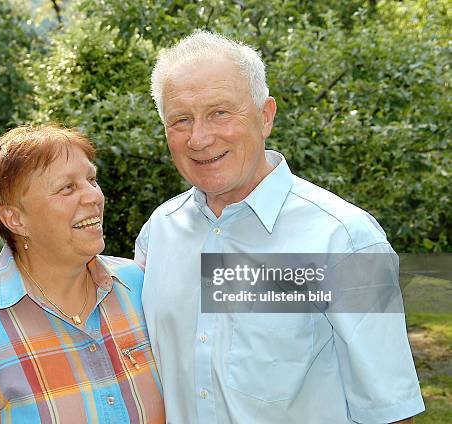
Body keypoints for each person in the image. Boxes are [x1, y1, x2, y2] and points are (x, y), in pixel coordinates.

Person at [135, 30, 425, 423]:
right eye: (180, 120)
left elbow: (390, 412)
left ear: (265, 115)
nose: (199, 138)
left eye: (220, 112)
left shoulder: (345, 240)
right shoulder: (159, 233)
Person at [0, 125, 164, 423]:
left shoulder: (138, 286)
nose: (94, 197)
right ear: (15, 218)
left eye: (91, 179)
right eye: (67, 188)